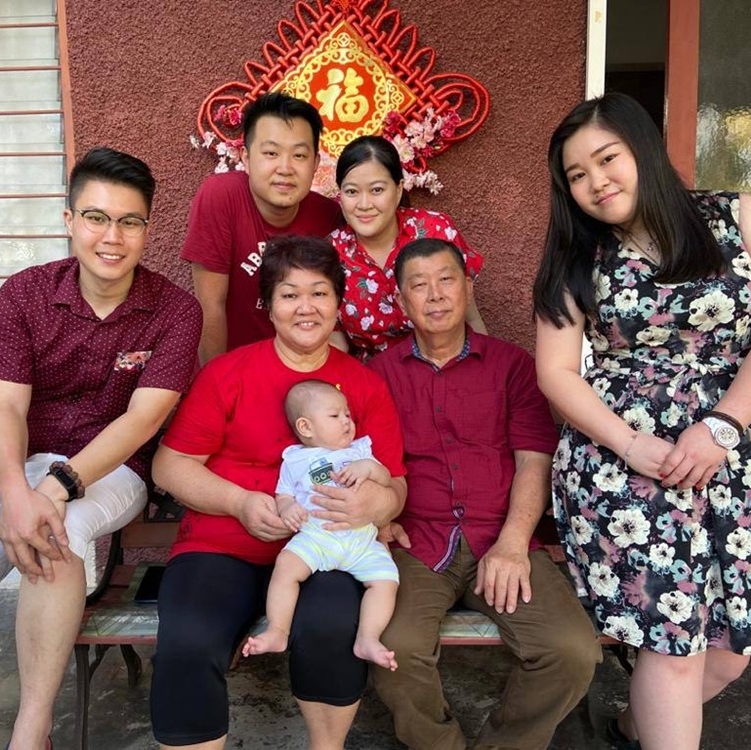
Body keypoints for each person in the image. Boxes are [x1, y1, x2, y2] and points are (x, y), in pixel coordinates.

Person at [0, 147, 202, 750]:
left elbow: (142, 420)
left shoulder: (174, 310)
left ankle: (32, 733)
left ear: (147, 228)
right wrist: (14, 491)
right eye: (95, 217)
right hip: (16, 464)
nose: (111, 237)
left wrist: (52, 490)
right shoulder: (24, 296)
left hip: (110, 468)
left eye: (129, 221)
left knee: (56, 533)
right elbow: (5, 407)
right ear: (68, 220)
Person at [532, 92, 751, 750]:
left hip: (733, 456)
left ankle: (631, 726)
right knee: (677, 647)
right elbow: (557, 373)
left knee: (730, 649)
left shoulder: (740, 217)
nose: (596, 182)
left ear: (643, 151)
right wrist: (633, 445)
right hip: (624, 467)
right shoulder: (577, 258)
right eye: (577, 174)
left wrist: (720, 427)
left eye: (607, 159)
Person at [149, 235, 407, 750]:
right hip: (224, 545)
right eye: (289, 294)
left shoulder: (364, 385)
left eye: (320, 293)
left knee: (332, 625)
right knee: (187, 641)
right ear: (267, 306)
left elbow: (394, 483)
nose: (306, 307)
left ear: (339, 302)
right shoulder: (228, 373)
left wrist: (375, 504)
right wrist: (240, 502)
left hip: (328, 549)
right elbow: (169, 466)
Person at [368, 237, 600, 750]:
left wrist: (515, 542)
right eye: (419, 285)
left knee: (571, 650)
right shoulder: (379, 375)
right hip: (417, 541)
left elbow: (534, 459)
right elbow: (365, 460)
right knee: (393, 646)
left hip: (502, 534)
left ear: (467, 287)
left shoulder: (512, 366)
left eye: (447, 280)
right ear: (401, 300)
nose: (435, 295)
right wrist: (377, 517)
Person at [242, 379, 399, 670]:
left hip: (361, 539)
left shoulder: (360, 451)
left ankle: (368, 637)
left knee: (387, 580)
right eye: (335, 416)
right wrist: (288, 509)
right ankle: (278, 630)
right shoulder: (295, 460)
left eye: (348, 415)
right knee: (286, 567)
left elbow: (386, 477)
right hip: (316, 536)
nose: (346, 422)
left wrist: (369, 469)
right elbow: (284, 493)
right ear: (306, 427)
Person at [183, 92, 342, 363]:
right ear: (246, 157)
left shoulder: (329, 216)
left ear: (316, 163)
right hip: (236, 367)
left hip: (304, 375)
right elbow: (210, 307)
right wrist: (218, 387)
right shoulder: (221, 197)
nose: (285, 168)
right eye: (271, 153)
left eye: (299, 155)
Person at [329, 134, 488, 360]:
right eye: (352, 192)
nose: (364, 205)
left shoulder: (434, 230)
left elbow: (471, 317)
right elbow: (336, 342)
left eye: (376, 190)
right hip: (377, 380)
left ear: (398, 189)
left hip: (450, 366)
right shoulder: (331, 254)